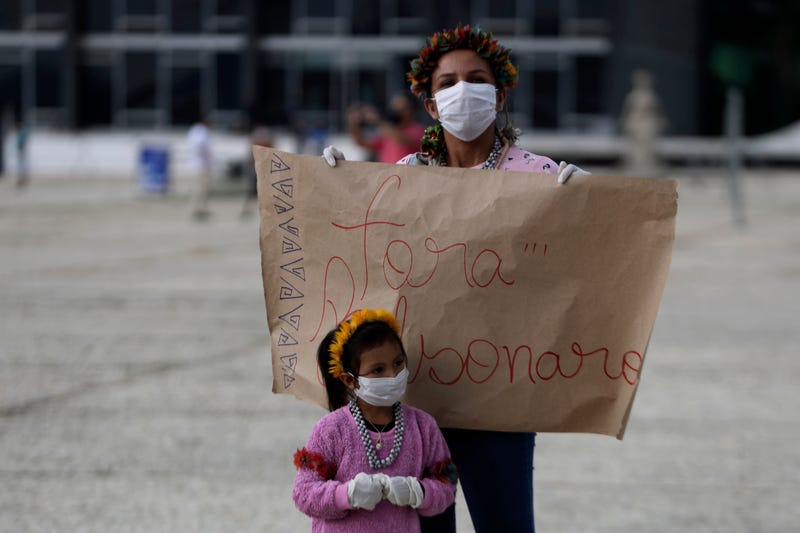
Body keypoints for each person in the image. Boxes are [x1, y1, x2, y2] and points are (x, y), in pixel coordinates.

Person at [322, 24, 589, 532]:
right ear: (429, 103)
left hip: (500, 402)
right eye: (447, 83)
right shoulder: (403, 176)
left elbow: (573, 279)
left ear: (501, 93)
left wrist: (591, 210)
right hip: (416, 398)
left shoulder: (537, 178)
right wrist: (333, 189)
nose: (461, 91)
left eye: (476, 78)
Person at [292, 308, 457, 532]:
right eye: (378, 370)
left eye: (398, 363)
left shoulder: (423, 427)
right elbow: (304, 493)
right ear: (350, 380)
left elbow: (446, 482)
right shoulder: (331, 430)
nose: (392, 375)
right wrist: (346, 495)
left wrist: (419, 491)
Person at [347, 93, 426, 163]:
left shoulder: (418, 130)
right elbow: (361, 142)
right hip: (388, 177)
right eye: (395, 108)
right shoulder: (386, 132)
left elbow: (403, 140)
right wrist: (353, 123)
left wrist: (376, 121)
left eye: (402, 109)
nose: (397, 112)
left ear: (412, 111)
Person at [240, 123, 273, 218]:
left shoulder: (259, 138)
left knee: (258, 190)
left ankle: (248, 209)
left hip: (261, 167)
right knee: (254, 190)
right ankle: (248, 209)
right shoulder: (265, 138)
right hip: (259, 167)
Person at [187, 117, 212, 220]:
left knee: (198, 188)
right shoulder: (202, 132)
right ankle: (199, 210)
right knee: (201, 189)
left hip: (195, 163)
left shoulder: (193, 131)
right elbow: (203, 146)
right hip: (202, 164)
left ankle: (198, 209)